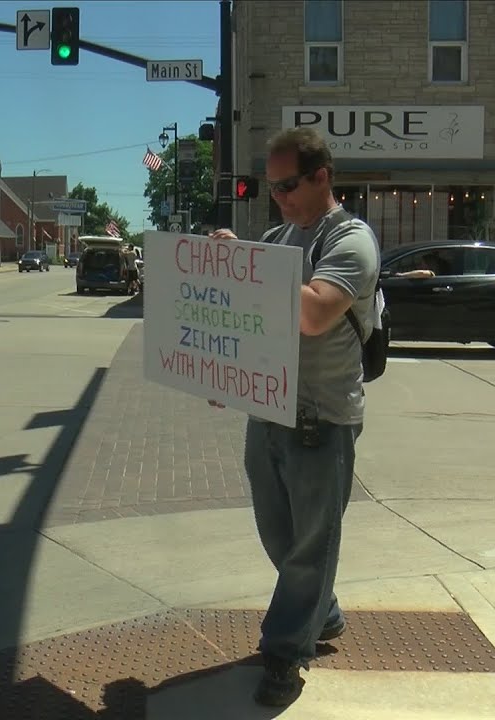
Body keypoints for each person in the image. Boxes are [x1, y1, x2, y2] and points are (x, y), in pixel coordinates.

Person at [207, 127, 380, 707]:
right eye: (271, 187)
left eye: (287, 186)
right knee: (280, 535)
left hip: (320, 418)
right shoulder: (278, 238)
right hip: (268, 411)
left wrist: (247, 264)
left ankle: (285, 652)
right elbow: (249, 320)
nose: (277, 197)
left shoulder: (350, 239)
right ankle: (321, 612)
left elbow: (314, 314)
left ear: (321, 177)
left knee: (309, 544)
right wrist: (221, 369)